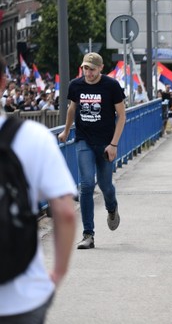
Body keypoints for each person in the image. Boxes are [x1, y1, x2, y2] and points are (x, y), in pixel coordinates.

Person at [0, 63, 77, 323]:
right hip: (22, 297)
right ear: (3, 84)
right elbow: (65, 212)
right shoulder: (33, 137)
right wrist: (57, 272)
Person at [59, 53, 126, 250]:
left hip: (106, 143)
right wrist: (65, 130)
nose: (88, 73)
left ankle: (112, 208)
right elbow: (72, 109)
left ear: (101, 68)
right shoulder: (76, 85)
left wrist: (113, 144)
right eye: (85, 69)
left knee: (106, 186)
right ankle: (88, 234)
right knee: (86, 184)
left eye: (92, 69)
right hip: (84, 140)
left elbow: (121, 116)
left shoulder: (111, 86)